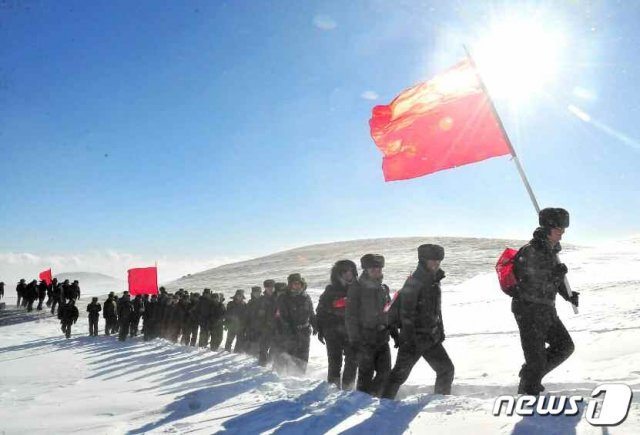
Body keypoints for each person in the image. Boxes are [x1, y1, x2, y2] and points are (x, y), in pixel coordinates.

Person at [512, 207, 577, 395]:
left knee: (564, 346)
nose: (561, 236)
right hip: (528, 310)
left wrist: (568, 294)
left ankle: (531, 375)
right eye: (559, 231)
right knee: (536, 360)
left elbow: (551, 283)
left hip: (546, 309)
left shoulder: (550, 251)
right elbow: (530, 285)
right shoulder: (530, 251)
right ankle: (528, 393)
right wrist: (556, 276)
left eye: (563, 232)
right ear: (548, 228)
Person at [382, 244, 454, 399]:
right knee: (399, 375)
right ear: (423, 260)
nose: (435, 264)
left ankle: (440, 401)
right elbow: (406, 314)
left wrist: (440, 332)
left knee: (446, 369)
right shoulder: (415, 282)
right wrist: (409, 340)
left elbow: (436, 310)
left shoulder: (434, 280)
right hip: (413, 339)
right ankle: (384, 404)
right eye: (431, 260)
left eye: (438, 260)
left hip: (430, 338)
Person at [346, 254, 392, 397]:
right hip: (364, 339)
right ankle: (362, 401)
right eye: (373, 269)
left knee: (385, 371)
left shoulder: (384, 288)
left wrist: (393, 331)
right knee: (366, 373)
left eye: (378, 268)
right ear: (366, 270)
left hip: (382, 337)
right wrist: (354, 340)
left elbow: (388, 311)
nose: (376, 271)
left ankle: (374, 397)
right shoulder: (357, 288)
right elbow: (351, 315)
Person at [316, 260, 358, 390]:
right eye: (344, 271)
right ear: (338, 274)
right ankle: (332, 390)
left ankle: (347, 389)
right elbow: (320, 311)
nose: (348, 273)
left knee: (352, 361)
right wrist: (334, 307)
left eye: (351, 270)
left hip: (352, 332)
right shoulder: (330, 290)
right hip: (333, 332)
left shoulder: (358, 288)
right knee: (335, 362)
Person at [275, 273, 317, 374]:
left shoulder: (306, 297)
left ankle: (301, 378)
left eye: (299, 283)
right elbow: (282, 317)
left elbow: (311, 313)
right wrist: (290, 332)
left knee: (303, 358)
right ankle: (291, 380)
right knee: (292, 358)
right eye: (294, 284)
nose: (297, 286)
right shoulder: (283, 298)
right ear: (290, 285)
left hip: (305, 333)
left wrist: (315, 325)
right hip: (290, 334)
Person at [256, 279, 278, 366]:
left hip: (276, 328)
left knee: (274, 347)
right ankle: (262, 364)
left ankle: (269, 362)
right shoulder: (261, 300)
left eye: (272, 287)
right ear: (265, 288)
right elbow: (257, 314)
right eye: (268, 287)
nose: (270, 289)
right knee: (263, 347)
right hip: (264, 328)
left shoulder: (279, 298)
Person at [243, 286, 264, 356]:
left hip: (261, 327)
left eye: (258, 292)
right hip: (251, 327)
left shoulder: (264, 301)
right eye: (255, 292)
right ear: (252, 293)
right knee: (251, 344)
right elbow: (246, 316)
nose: (257, 294)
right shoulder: (250, 303)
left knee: (261, 345)